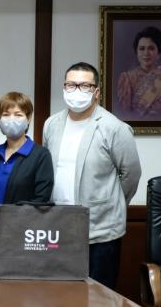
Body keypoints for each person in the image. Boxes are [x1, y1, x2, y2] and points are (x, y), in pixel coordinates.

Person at [44, 62, 141, 289]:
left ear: (96, 92)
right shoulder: (51, 124)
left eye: (85, 86)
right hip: (59, 228)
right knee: (60, 297)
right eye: (71, 85)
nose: (77, 91)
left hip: (100, 231)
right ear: (64, 88)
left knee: (99, 299)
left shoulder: (114, 128)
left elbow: (131, 175)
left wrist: (112, 203)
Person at [0, 92, 54, 205]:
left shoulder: (41, 155)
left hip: (25, 217)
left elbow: (41, 199)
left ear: (28, 119)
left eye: (18, 115)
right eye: (6, 114)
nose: (11, 119)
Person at [116, 26, 161, 118]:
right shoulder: (127, 78)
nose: (146, 53)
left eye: (151, 48)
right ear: (136, 52)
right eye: (142, 48)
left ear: (158, 53)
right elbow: (124, 115)